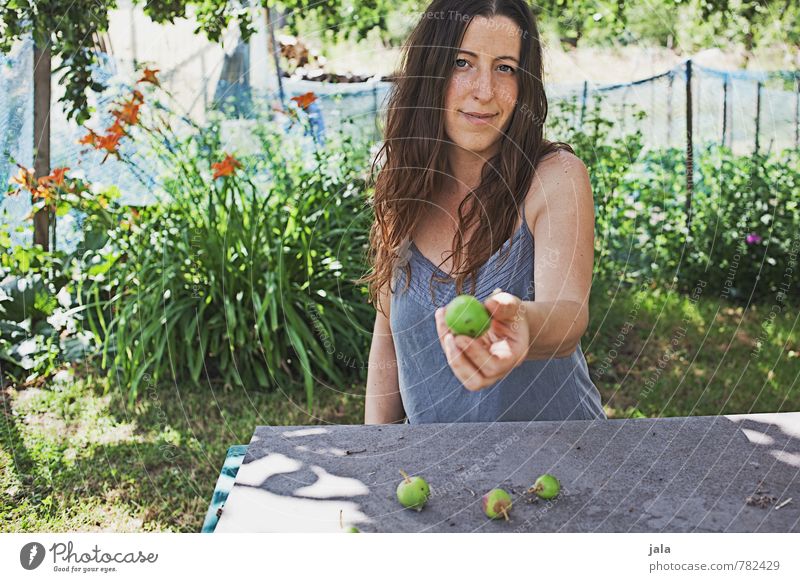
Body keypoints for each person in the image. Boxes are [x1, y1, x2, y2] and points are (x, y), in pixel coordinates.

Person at [358, 0, 606, 424]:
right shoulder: (400, 182)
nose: (485, 90)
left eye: (505, 67)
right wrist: (375, 459)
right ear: (429, 73)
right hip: (440, 480)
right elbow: (387, 343)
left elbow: (567, 315)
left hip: (564, 466)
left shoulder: (554, 177)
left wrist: (520, 324)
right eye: (462, 62)